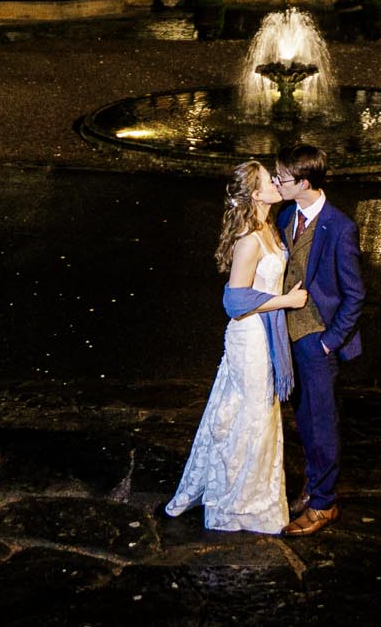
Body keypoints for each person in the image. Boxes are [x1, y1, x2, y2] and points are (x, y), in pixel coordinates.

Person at [164, 160, 309, 534]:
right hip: (251, 339)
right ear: (256, 194)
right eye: (269, 181)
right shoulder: (249, 239)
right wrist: (285, 303)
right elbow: (234, 300)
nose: (278, 183)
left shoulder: (271, 228)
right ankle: (238, 505)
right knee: (252, 416)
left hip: (264, 335)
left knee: (257, 414)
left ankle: (254, 498)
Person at [273, 142, 366, 537]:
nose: (277, 182)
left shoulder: (339, 227)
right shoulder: (285, 215)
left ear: (304, 183)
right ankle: (314, 488)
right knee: (304, 421)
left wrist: (329, 342)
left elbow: (355, 293)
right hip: (288, 337)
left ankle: (324, 505)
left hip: (317, 340)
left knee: (322, 423)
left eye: (283, 178)